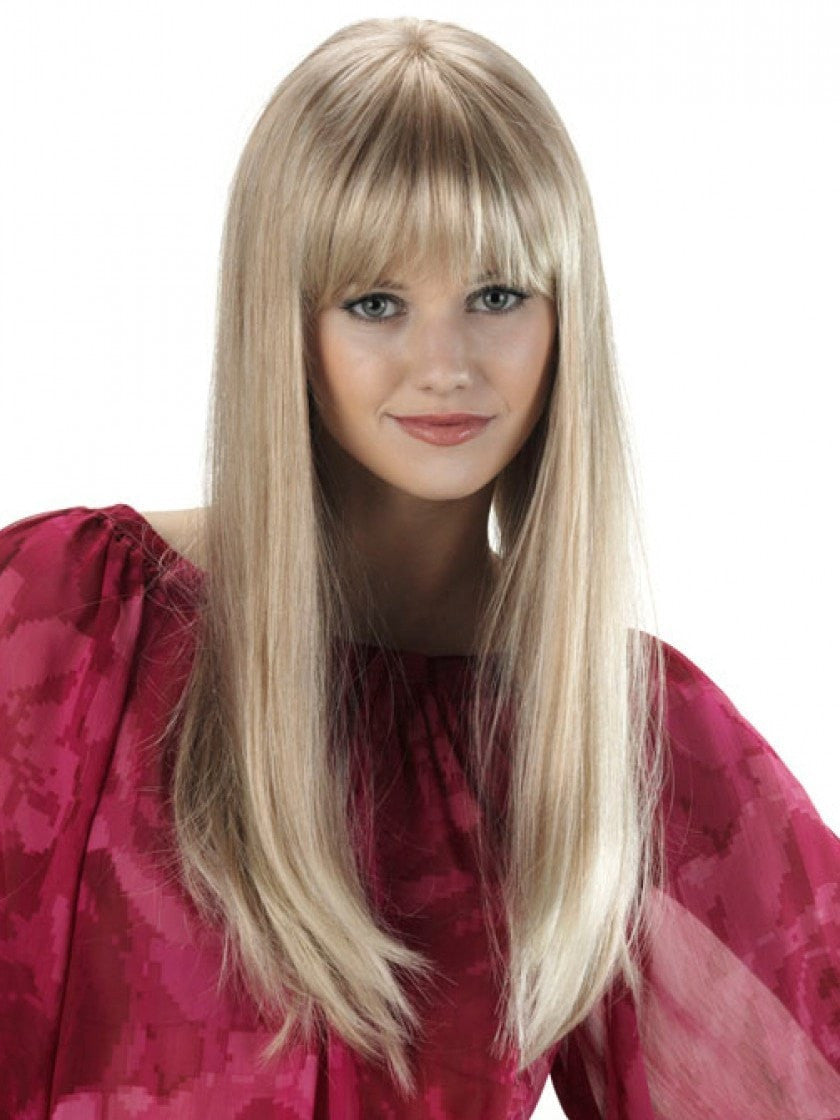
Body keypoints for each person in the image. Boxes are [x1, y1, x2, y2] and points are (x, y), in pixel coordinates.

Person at [1, 17, 838, 1119]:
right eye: (376, 303)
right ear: (284, 324)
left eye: (496, 296)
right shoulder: (66, 625)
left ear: (565, 316)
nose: (444, 366)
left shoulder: (617, 733)